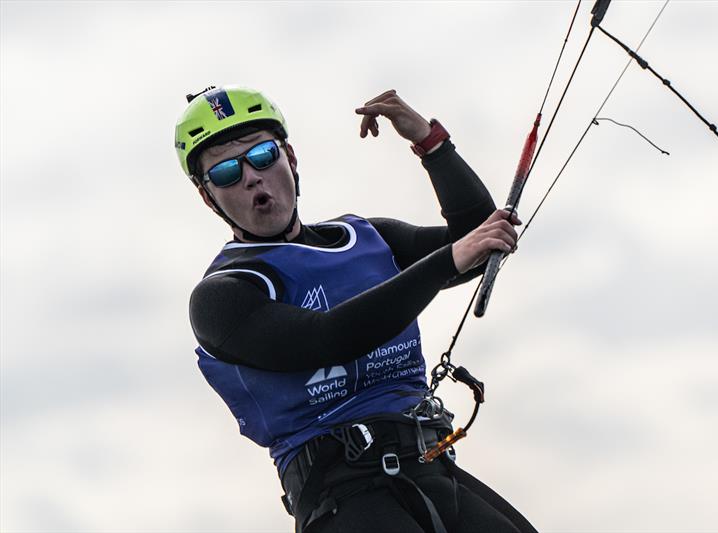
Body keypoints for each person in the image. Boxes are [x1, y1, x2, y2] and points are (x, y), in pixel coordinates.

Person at [174, 85, 537, 533]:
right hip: (344, 497)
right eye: (227, 171)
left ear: (290, 157)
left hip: (432, 466)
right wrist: (448, 259)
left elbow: (477, 238)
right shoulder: (222, 296)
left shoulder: (364, 238)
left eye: (263, 155)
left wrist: (430, 143)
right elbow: (326, 339)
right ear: (208, 196)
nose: (251, 177)